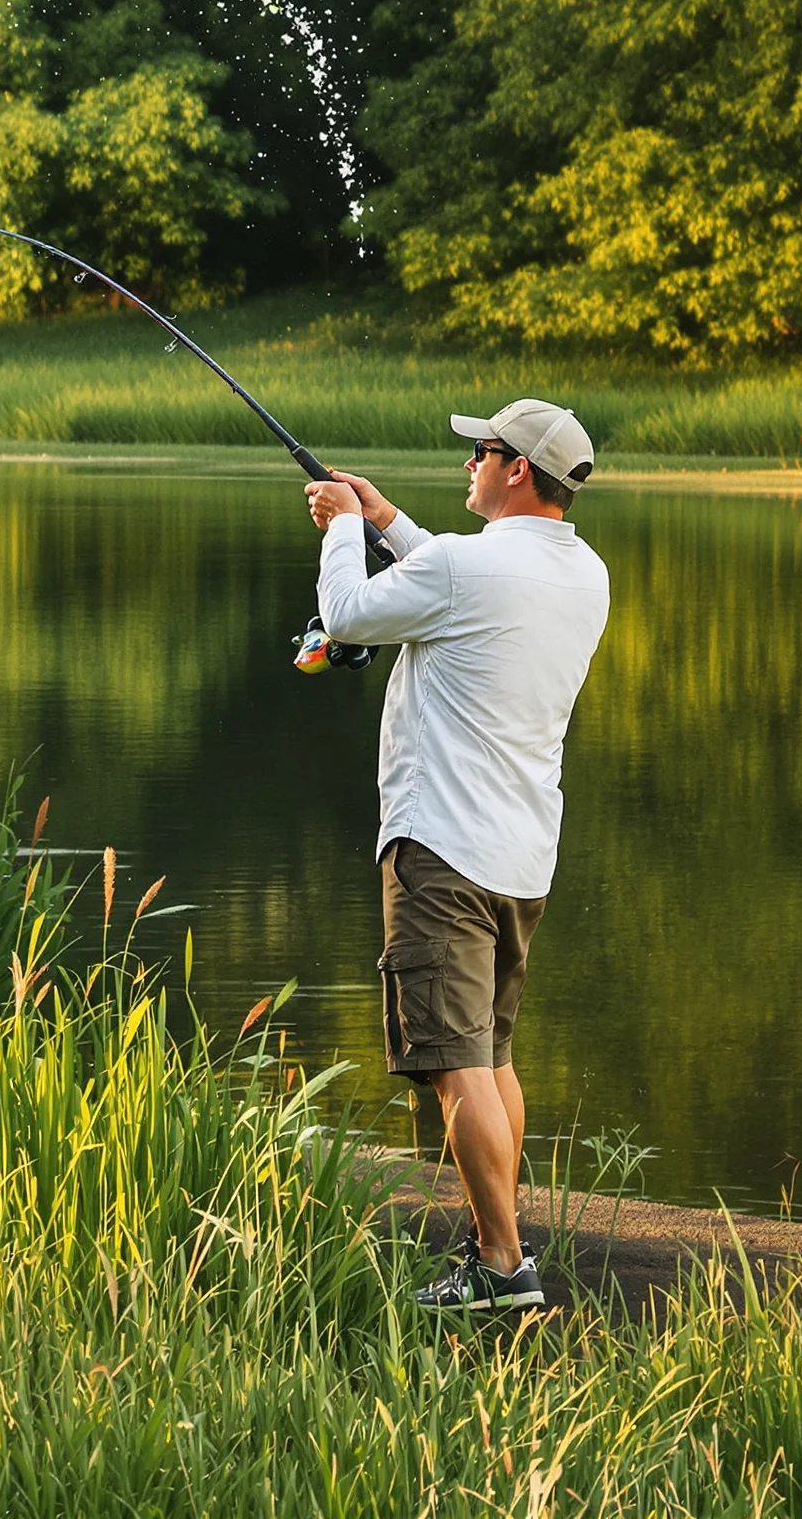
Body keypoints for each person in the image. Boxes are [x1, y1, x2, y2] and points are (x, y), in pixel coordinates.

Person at [304, 399, 610, 1313]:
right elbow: (465, 578)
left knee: (453, 1066)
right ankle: (496, 1245)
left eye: (479, 453)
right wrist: (390, 520)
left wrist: (347, 529)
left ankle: (502, 1266)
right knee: (492, 1058)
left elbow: (348, 615)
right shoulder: (583, 572)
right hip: (522, 858)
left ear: (516, 468)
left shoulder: (463, 566)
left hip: (439, 849)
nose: (468, 466)